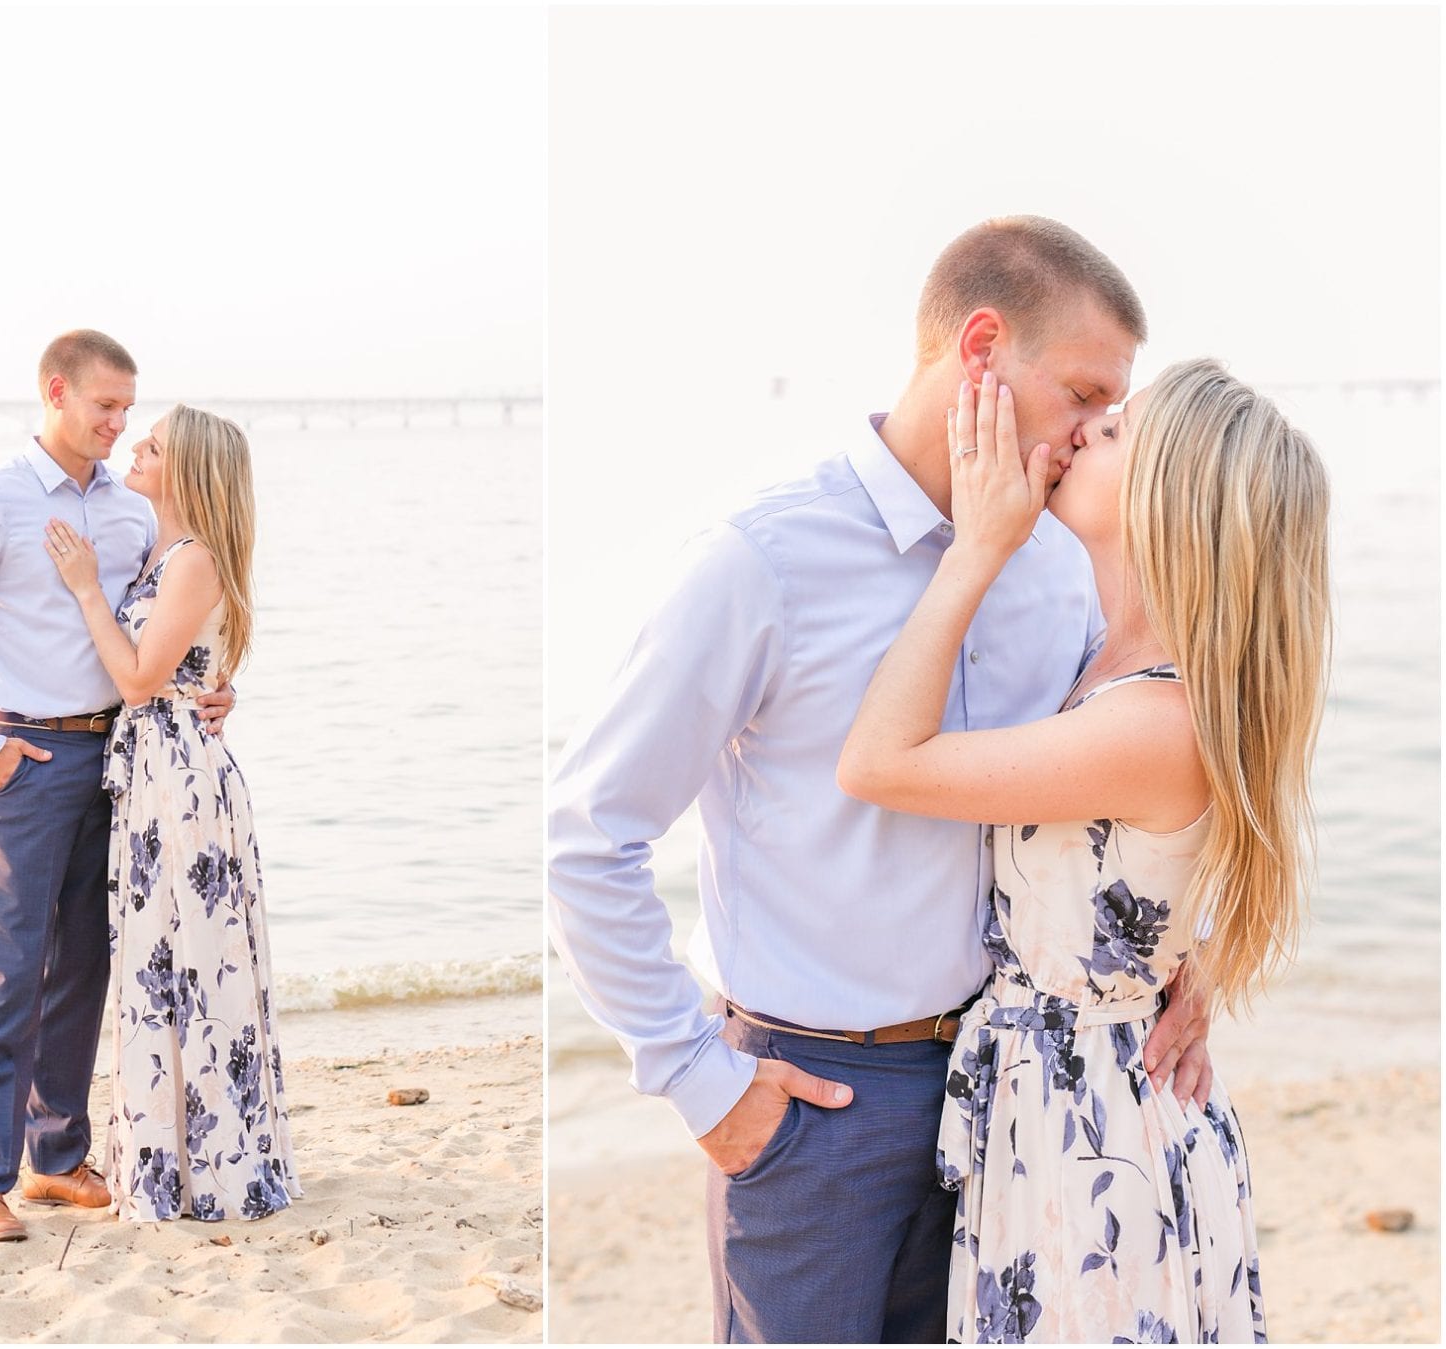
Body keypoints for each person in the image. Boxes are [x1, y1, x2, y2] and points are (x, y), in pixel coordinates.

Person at [547, 217, 1213, 1344]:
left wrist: (1186, 956)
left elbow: (1112, 799)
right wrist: (698, 1081)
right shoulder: (760, 560)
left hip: (1011, 1087)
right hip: (817, 1100)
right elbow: (587, 834)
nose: (1096, 432)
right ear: (984, 347)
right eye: (1086, 395)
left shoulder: (1061, 568)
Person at [837, 362, 1327, 1342]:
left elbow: (878, 760)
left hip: (1089, 1127)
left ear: (1164, 502)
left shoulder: (1150, 718)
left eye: (1114, 432)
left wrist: (975, 548)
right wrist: (1185, 953)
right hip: (1069, 1104)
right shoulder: (1116, 662)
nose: (1084, 428)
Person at [0, 331, 234, 1242]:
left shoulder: (129, 512)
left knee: (84, 962)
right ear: (58, 392)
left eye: (130, 410)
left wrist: (210, 687)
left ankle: (54, 1155)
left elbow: (153, 628)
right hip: (28, 760)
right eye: (106, 406)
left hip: (120, 762)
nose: (121, 425)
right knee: (9, 966)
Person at [42, 403, 299, 1222]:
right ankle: (177, 1159)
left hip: (180, 784)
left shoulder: (191, 558)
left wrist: (84, 591)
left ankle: (208, 1167)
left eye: (152, 444)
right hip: (157, 775)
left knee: (189, 962)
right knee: (165, 963)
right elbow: (191, 665)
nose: (135, 447)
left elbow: (140, 679)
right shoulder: (160, 547)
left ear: (185, 468)